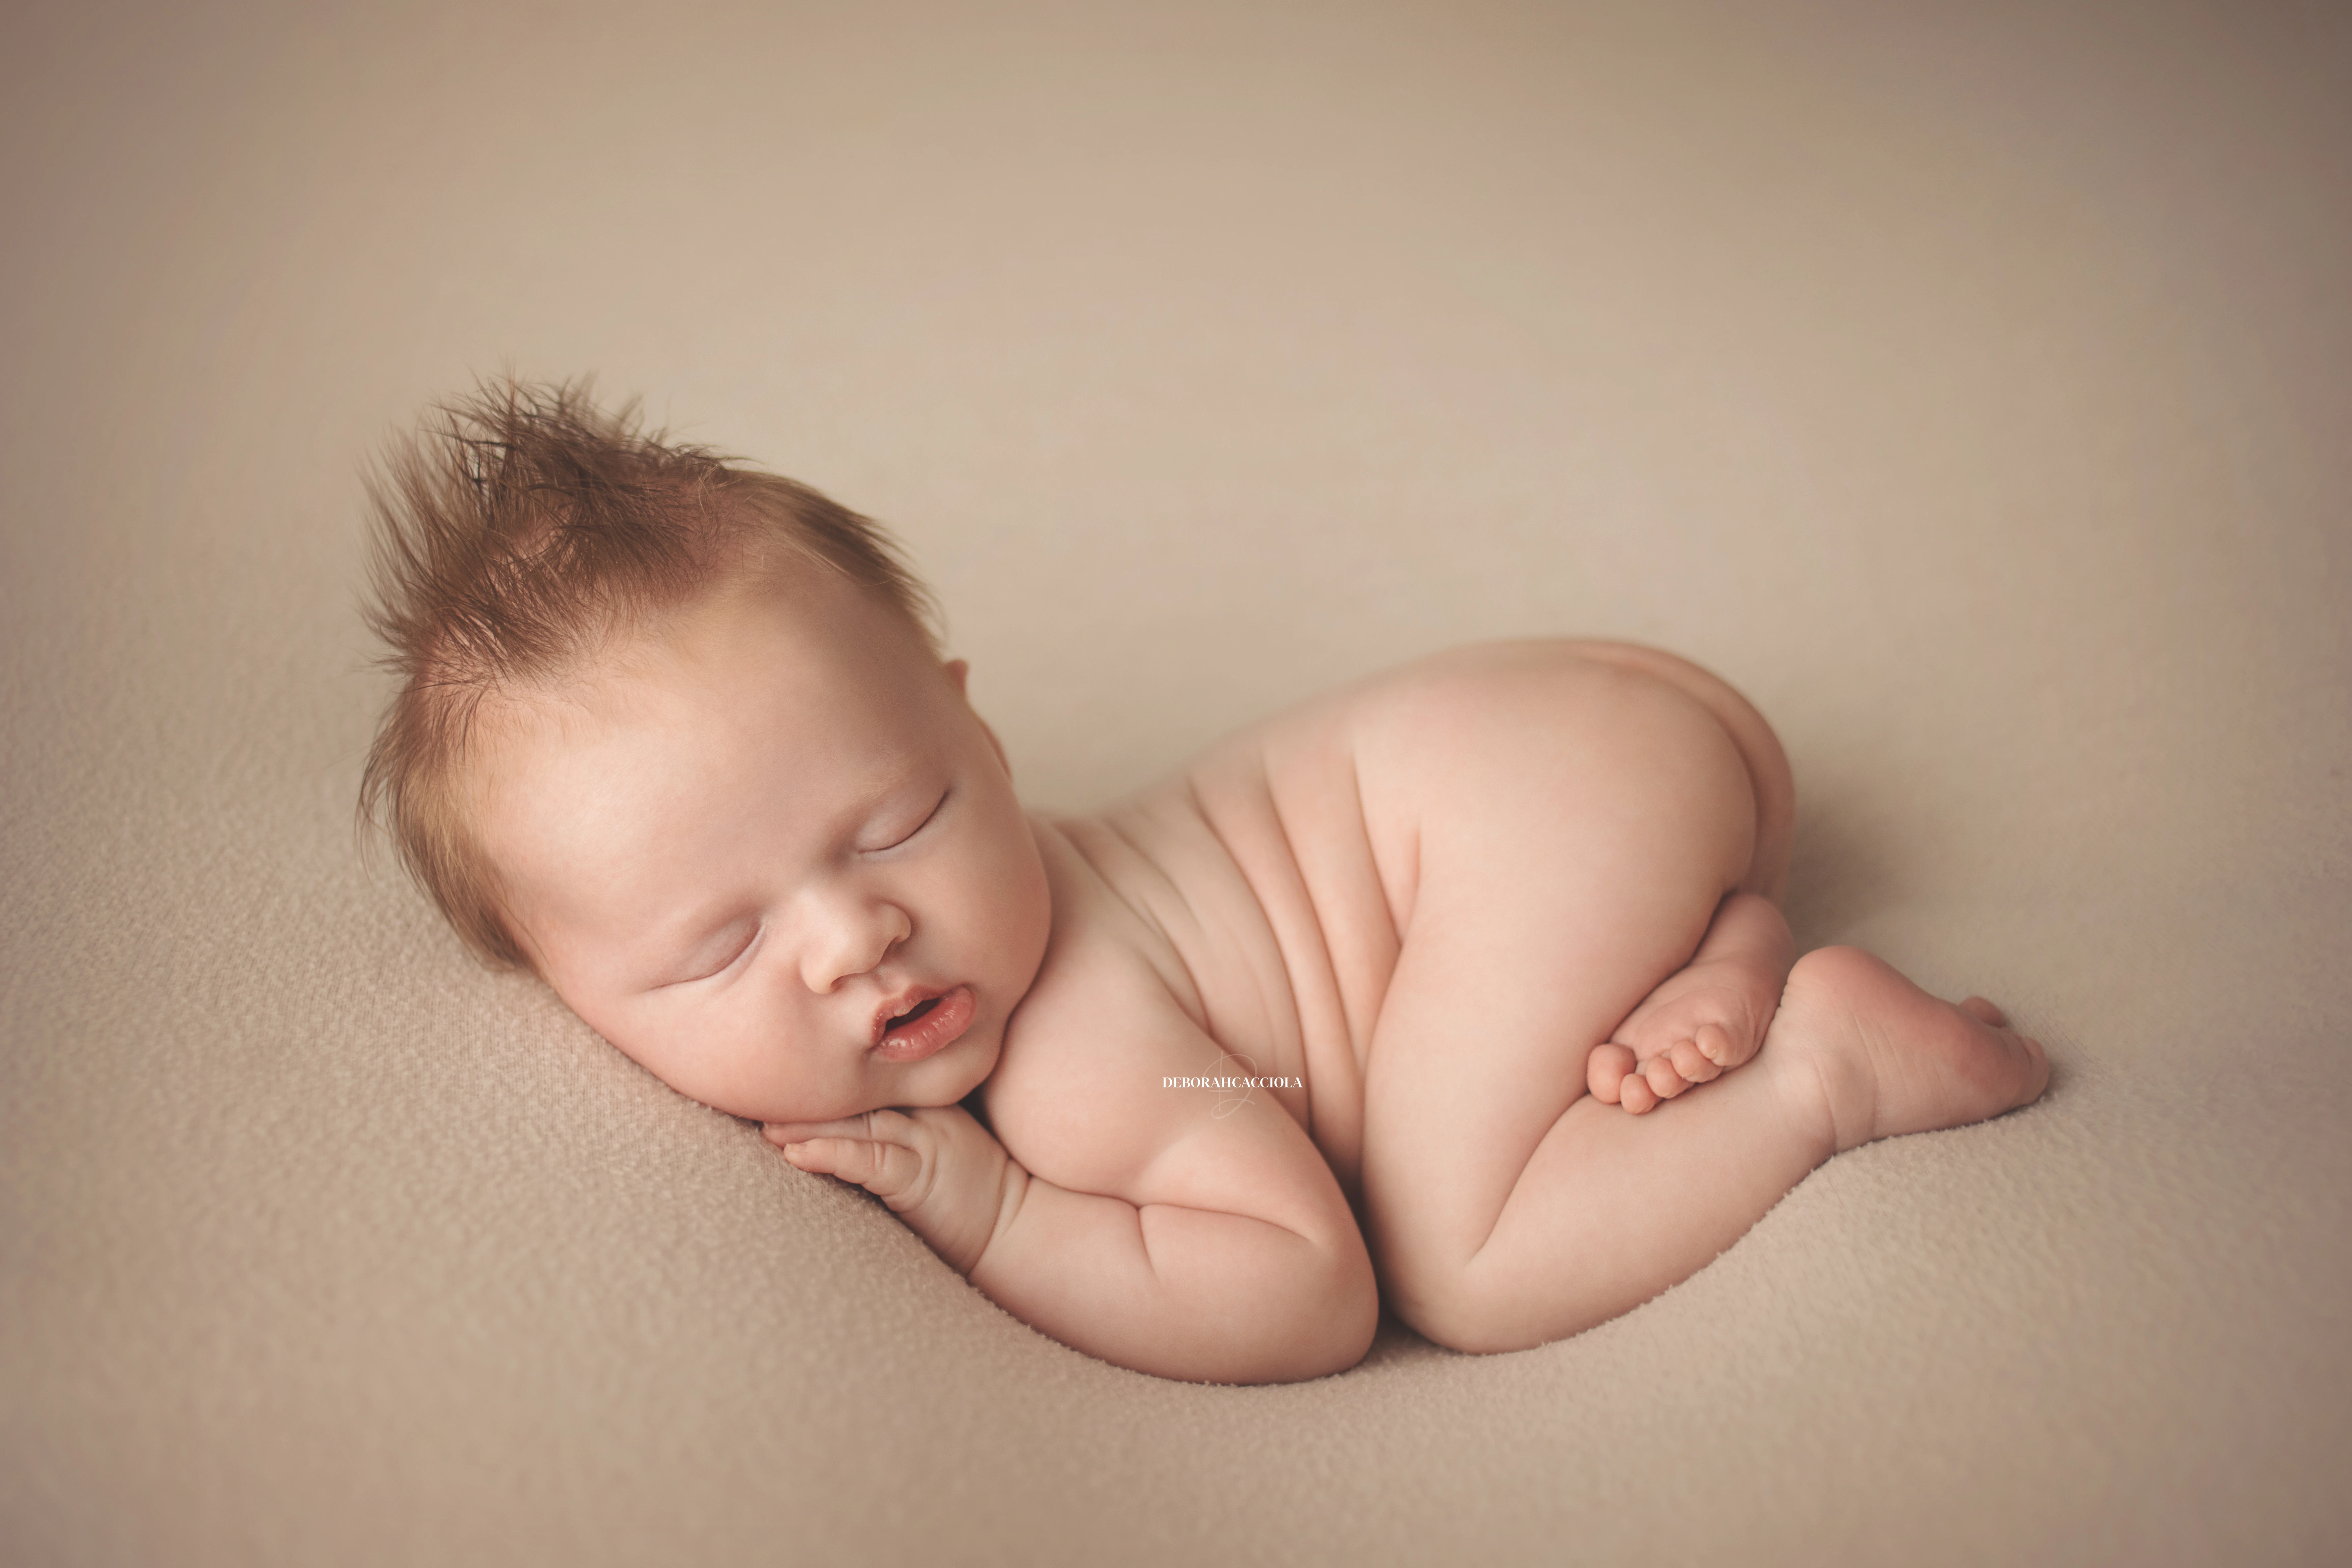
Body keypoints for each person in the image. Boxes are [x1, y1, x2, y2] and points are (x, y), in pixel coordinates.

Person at [359, 379, 2049, 1384]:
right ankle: (1721, 944)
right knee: (1473, 1043)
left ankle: (1818, 1063)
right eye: (720, 944)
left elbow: (1307, 1286)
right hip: (1603, 754)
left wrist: (1001, 1214)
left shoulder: (1088, 1046)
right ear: (568, 990)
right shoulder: (994, 925)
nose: (853, 931)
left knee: (1464, 1258)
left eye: (895, 825)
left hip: (1531, 812)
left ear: (980, 732)